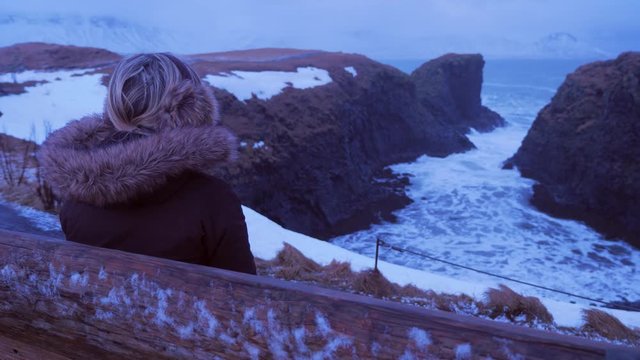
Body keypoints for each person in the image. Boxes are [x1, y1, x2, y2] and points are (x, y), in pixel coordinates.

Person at [38, 53, 256, 275]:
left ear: (114, 105)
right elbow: (245, 295)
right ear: (190, 107)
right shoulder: (212, 200)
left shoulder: (76, 194)